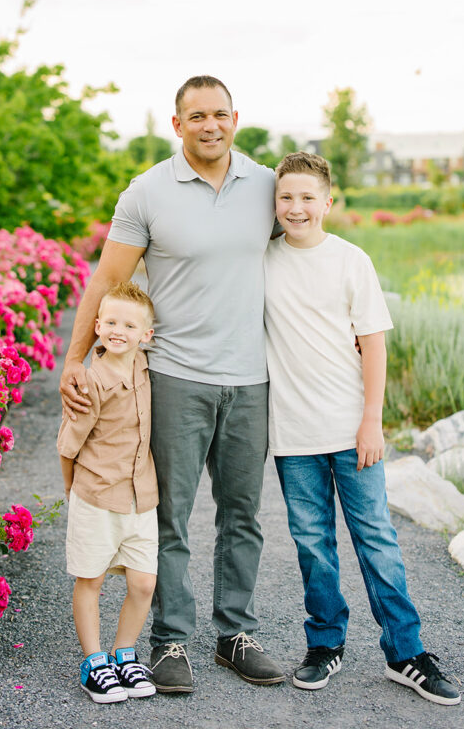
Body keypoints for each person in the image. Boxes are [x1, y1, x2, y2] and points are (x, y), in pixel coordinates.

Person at [59, 75, 284, 693]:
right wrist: (74, 362)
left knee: (243, 514)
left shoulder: (266, 186)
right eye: (197, 116)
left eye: (220, 115)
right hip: (175, 376)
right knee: (171, 516)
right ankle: (169, 642)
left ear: (235, 118)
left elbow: (305, 250)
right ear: (177, 123)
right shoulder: (147, 192)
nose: (210, 125)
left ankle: (234, 633)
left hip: (251, 379)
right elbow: (106, 282)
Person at [263, 151, 461, 706]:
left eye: (307, 198)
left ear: (329, 202)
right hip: (294, 435)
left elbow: (373, 345)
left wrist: (371, 422)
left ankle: (406, 653)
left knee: (377, 540)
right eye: (286, 198)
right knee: (312, 545)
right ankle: (325, 644)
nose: (296, 208)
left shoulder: (352, 261)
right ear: (274, 204)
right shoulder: (262, 260)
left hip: (354, 430)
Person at [58, 281, 158, 704]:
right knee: (92, 578)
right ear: (97, 326)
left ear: (146, 335)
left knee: (143, 583)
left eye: (130, 324)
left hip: (141, 497)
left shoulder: (146, 366)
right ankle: (95, 661)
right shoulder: (89, 383)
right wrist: (73, 491)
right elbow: (68, 446)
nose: (119, 330)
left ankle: (124, 652)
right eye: (111, 321)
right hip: (96, 494)